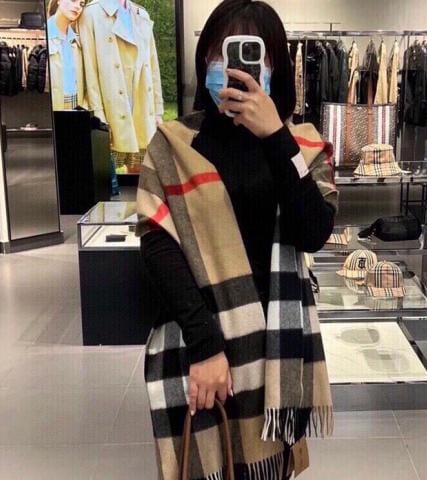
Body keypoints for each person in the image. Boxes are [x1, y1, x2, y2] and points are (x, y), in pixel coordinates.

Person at [137, 1, 336, 479]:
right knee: (209, 463)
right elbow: (158, 246)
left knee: (268, 468)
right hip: (199, 340)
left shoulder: (302, 144)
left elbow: (314, 232)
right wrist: (206, 347)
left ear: (275, 66)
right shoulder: (173, 143)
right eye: (220, 52)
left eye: (253, 53)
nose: (231, 67)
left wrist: (275, 137)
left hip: (275, 349)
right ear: (205, 59)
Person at [78, 0, 164, 174]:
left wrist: (157, 110)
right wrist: (98, 114)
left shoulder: (141, 14)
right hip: (111, 106)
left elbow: (152, 65)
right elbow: (90, 70)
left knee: (142, 173)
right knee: (105, 175)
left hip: (141, 104)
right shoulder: (91, 14)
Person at [47, 0, 86, 110]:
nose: (78, 7)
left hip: (77, 104)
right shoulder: (45, 36)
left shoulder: (78, 41)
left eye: (82, 4)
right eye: (73, 0)